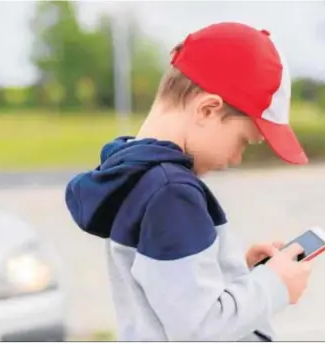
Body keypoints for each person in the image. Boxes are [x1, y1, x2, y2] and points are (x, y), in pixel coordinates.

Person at [65, 22, 312, 341]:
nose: (236, 159)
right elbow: (200, 330)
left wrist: (235, 273)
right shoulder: (172, 193)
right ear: (208, 110)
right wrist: (273, 286)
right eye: (243, 141)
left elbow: (169, 299)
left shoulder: (135, 174)